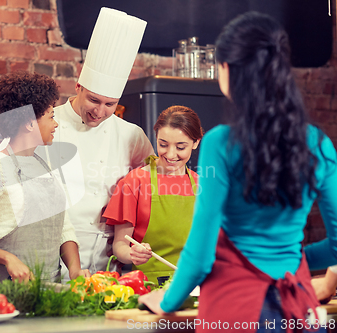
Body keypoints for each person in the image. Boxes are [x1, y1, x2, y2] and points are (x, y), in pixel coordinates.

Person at [139, 11, 337, 332]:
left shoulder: (222, 142)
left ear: (228, 68)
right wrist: (293, 260)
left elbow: (201, 253)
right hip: (298, 309)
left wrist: (165, 301)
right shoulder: (318, 144)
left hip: (237, 310)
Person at [44, 7, 155, 278]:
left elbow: (154, 186)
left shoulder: (131, 135)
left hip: (108, 261)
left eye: (110, 104)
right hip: (51, 258)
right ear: (78, 85)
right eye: (93, 100)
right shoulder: (46, 125)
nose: (100, 111)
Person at [0, 72, 90, 283]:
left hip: (48, 289)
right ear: (29, 123)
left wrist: (74, 270)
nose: (56, 124)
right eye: (50, 116)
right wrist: (8, 258)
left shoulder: (46, 166)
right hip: (5, 289)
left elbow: (64, 228)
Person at [103, 106, 203, 284]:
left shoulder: (202, 186)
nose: (170, 154)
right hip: (146, 285)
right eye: (163, 144)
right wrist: (132, 254)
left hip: (194, 284)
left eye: (180, 147)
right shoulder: (134, 183)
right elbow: (120, 245)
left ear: (196, 143)